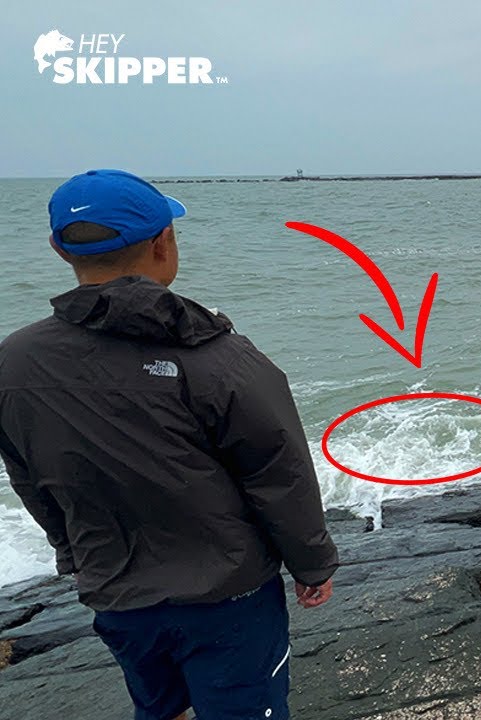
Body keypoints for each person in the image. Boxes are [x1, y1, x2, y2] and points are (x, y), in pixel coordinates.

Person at [0, 169, 340, 720]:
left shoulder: (13, 360)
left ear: (59, 249)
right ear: (163, 243)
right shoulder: (219, 356)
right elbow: (279, 473)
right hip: (229, 597)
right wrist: (312, 564)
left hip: (115, 591)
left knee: (160, 709)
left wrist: (73, 555)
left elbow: (31, 477)